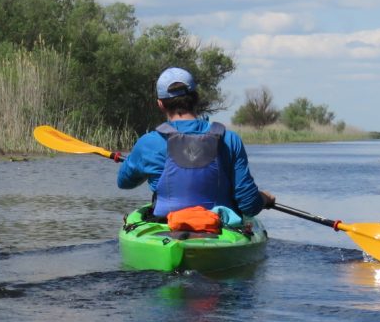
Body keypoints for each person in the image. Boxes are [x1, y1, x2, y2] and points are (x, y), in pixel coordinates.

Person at [116, 67, 275, 220]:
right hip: (219, 227)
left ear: (161, 104)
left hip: (167, 227)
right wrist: (264, 199)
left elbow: (124, 182)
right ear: (196, 98)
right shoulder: (230, 140)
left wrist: (145, 169)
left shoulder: (148, 143)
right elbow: (249, 204)